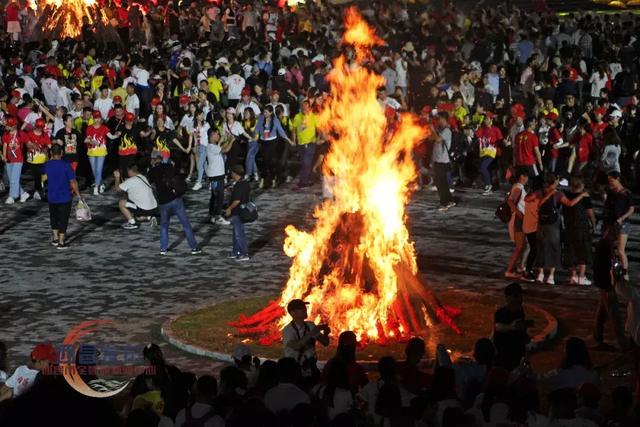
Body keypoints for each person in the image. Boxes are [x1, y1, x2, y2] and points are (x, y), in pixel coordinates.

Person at [525, 173, 589, 285]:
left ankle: (540, 275)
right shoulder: (557, 194)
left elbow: (527, 199)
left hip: (541, 224)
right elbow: (570, 204)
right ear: (554, 182)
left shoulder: (540, 192)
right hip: (553, 225)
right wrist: (582, 196)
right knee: (554, 249)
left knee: (541, 248)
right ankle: (550, 276)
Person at [147, 151, 201, 256]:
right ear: (161, 158)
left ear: (153, 159)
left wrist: (151, 168)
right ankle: (194, 248)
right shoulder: (169, 166)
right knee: (186, 225)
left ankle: (163, 248)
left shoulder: (152, 171)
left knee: (164, 226)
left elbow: (149, 181)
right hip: (175, 199)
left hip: (163, 202)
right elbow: (178, 175)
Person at [282, 299, 330, 381]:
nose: (305, 309)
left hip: (311, 368)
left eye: (304, 307)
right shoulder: (288, 330)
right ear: (293, 313)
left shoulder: (310, 325)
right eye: (302, 308)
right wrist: (313, 332)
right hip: (295, 370)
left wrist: (326, 333)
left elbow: (325, 343)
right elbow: (296, 346)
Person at [44, 144, 80, 249]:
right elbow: (73, 181)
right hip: (65, 197)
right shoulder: (66, 165)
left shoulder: (48, 165)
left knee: (54, 217)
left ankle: (55, 238)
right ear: (62, 153)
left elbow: (44, 177)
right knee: (63, 218)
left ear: (51, 153)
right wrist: (78, 194)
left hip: (52, 196)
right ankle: (61, 242)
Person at [564, 177, 596, 286]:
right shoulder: (585, 198)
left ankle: (573, 276)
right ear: (581, 186)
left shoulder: (566, 196)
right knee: (583, 251)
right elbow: (590, 213)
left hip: (569, 227)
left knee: (572, 251)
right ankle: (581, 276)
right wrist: (593, 224)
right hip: (581, 227)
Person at [602, 172, 634, 282]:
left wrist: (622, 218)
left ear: (618, 179)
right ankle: (611, 271)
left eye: (612, 180)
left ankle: (625, 273)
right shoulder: (610, 192)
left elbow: (631, 209)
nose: (610, 182)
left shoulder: (626, 193)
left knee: (620, 250)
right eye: (609, 180)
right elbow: (607, 208)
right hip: (610, 222)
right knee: (609, 249)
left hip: (622, 223)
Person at [493, 283, 531, 371]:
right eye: (517, 296)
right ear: (509, 298)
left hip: (518, 351)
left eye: (521, 296)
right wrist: (511, 327)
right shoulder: (502, 312)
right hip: (505, 353)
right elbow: (498, 327)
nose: (521, 299)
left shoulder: (520, 310)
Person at [113, 164, 158, 230]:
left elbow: (117, 189)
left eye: (128, 171)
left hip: (144, 209)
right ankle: (150, 217)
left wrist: (117, 177)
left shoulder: (131, 181)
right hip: (153, 207)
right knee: (137, 216)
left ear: (130, 171)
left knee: (121, 203)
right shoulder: (143, 177)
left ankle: (132, 223)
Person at [224, 165, 251, 261]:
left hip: (238, 212)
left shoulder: (239, 185)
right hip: (242, 211)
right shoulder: (244, 183)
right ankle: (236, 252)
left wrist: (229, 209)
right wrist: (232, 190)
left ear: (235, 174)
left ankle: (244, 253)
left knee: (239, 234)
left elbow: (237, 201)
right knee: (236, 233)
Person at [505, 168, 528, 279]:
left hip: (520, 219)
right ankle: (509, 270)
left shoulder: (518, 187)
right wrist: (519, 213)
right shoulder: (518, 187)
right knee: (519, 247)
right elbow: (510, 201)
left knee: (522, 246)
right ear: (522, 177)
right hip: (518, 220)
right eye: (526, 177)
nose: (527, 179)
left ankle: (518, 266)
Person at [2, 116, 30, 204]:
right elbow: (5, 145)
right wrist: (4, 155)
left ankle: (12, 196)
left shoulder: (21, 134)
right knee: (12, 179)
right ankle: (23, 193)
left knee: (14, 179)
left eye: (7, 125)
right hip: (9, 160)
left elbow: (28, 143)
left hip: (18, 160)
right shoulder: (6, 134)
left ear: (13, 125)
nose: (5, 126)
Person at [206, 128, 231, 225]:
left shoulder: (213, 146)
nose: (218, 136)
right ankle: (218, 217)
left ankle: (212, 216)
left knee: (214, 196)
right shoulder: (212, 147)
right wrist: (231, 140)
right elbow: (226, 149)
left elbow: (222, 147)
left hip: (216, 175)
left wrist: (227, 141)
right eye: (217, 135)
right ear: (212, 135)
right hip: (216, 175)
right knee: (219, 196)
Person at [291, 100, 318, 188]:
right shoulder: (297, 117)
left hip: (310, 143)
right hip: (300, 143)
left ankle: (304, 181)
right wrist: (294, 140)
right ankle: (307, 179)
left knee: (307, 161)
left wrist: (317, 139)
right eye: (303, 106)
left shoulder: (314, 117)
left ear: (310, 107)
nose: (304, 107)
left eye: (306, 106)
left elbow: (320, 129)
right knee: (304, 162)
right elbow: (294, 129)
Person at [432, 112, 456, 212]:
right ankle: (449, 200)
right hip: (437, 159)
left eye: (440, 119)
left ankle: (444, 203)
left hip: (443, 160)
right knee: (441, 182)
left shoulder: (447, 131)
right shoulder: (440, 130)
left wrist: (432, 129)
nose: (438, 121)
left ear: (444, 119)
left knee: (440, 182)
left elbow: (438, 140)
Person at [25, 118, 52, 201]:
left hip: (42, 159)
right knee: (36, 176)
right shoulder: (29, 133)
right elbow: (27, 144)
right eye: (37, 127)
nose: (39, 129)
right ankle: (39, 191)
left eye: (41, 128)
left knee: (40, 176)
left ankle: (38, 191)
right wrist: (32, 145)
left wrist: (46, 148)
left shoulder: (45, 134)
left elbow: (49, 145)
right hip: (32, 159)